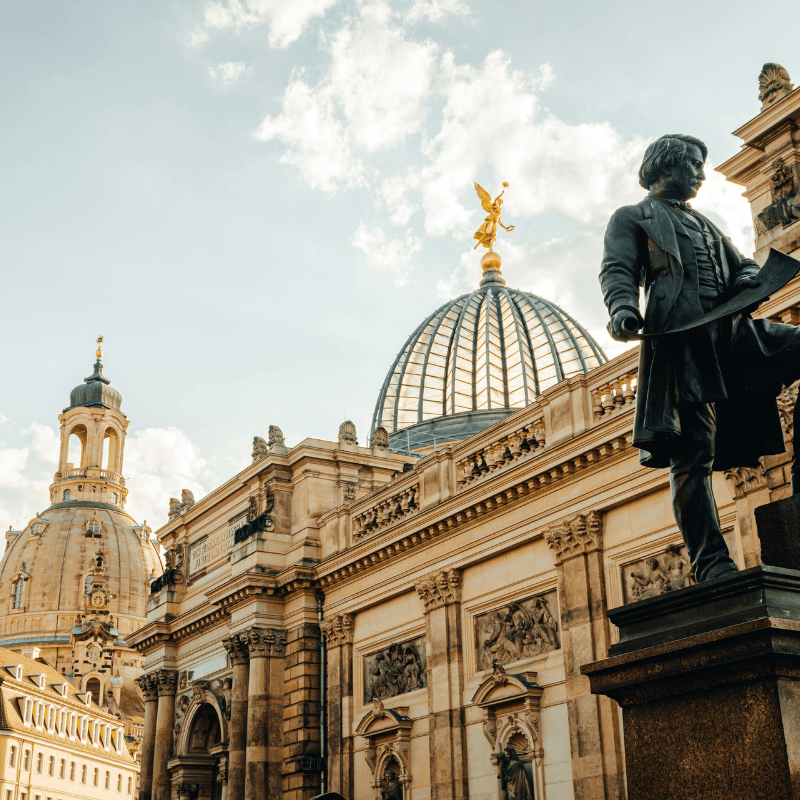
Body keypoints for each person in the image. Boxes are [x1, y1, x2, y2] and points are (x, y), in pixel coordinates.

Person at [600, 133, 800, 582]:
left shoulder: (706, 224)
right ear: (665, 167)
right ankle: (711, 562)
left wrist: (751, 277)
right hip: (682, 341)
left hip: (731, 330)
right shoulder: (633, 217)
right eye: (694, 164)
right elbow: (617, 270)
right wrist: (623, 309)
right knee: (693, 454)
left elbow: (740, 264)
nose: (701, 174)